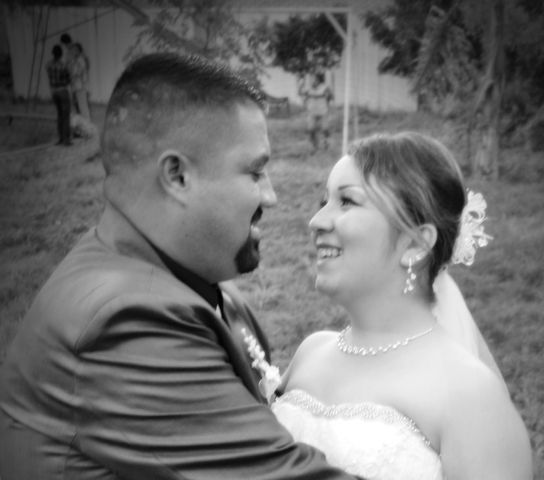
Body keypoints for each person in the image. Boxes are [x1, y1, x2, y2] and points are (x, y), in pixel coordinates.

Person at [0, 53, 362, 480]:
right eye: (255, 172)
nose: (271, 196)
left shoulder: (177, 278)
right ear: (177, 176)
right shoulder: (125, 323)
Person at [272, 132, 533, 479]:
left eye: (347, 201)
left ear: (415, 244)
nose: (317, 221)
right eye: (324, 201)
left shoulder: (470, 395)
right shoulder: (310, 352)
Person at [45, 44, 72, 146]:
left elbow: (49, 75)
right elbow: (68, 79)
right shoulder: (63, 65)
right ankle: (66, 139)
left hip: (54, 91)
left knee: (59, 115)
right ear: (61, 54)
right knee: (66, 116)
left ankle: (60, 138)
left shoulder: (48, 65)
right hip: (62, 90)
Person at [299, 71, 333, 152]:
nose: (312, 81)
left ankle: (326, 142)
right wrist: (300, 85)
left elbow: (331, 96)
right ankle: (314, 146)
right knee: (311, 129)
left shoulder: (324, 87)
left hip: (323, 112)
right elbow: (300, 93)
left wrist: (328, 94)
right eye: (311, 80)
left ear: (318, 80)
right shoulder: (308, 88)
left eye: (314, 80)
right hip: (312, 112)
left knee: (325, 128)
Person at [69, 41, 92, 122]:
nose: (72, 51)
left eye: (74, 50)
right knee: (80, 107)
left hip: (80, 86)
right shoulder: (76, 60)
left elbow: (78, 72)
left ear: (78, 50)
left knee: (83, 108)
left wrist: (72, 74)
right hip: (77, 86)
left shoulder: (80, 60)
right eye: (72, 50)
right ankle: (84, 125)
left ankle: (87, 126)